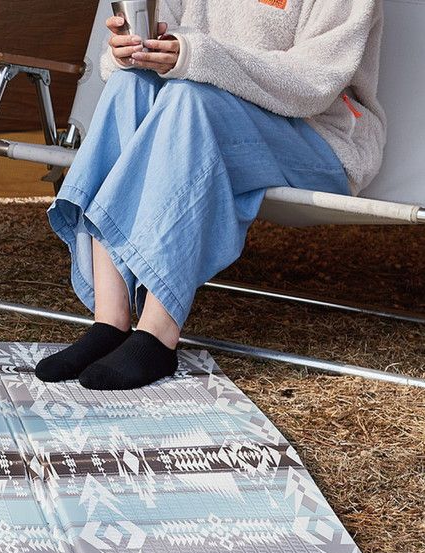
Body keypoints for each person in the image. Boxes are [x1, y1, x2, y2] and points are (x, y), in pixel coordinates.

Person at [36, 0, 385, 390]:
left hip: (320, 139)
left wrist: (195, 56)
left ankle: (157, 335)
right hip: (200, 114)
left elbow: (312, 84)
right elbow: (163, 43)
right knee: (128, 84)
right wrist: (129, 51)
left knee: (190, 98)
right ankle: (110, 322)